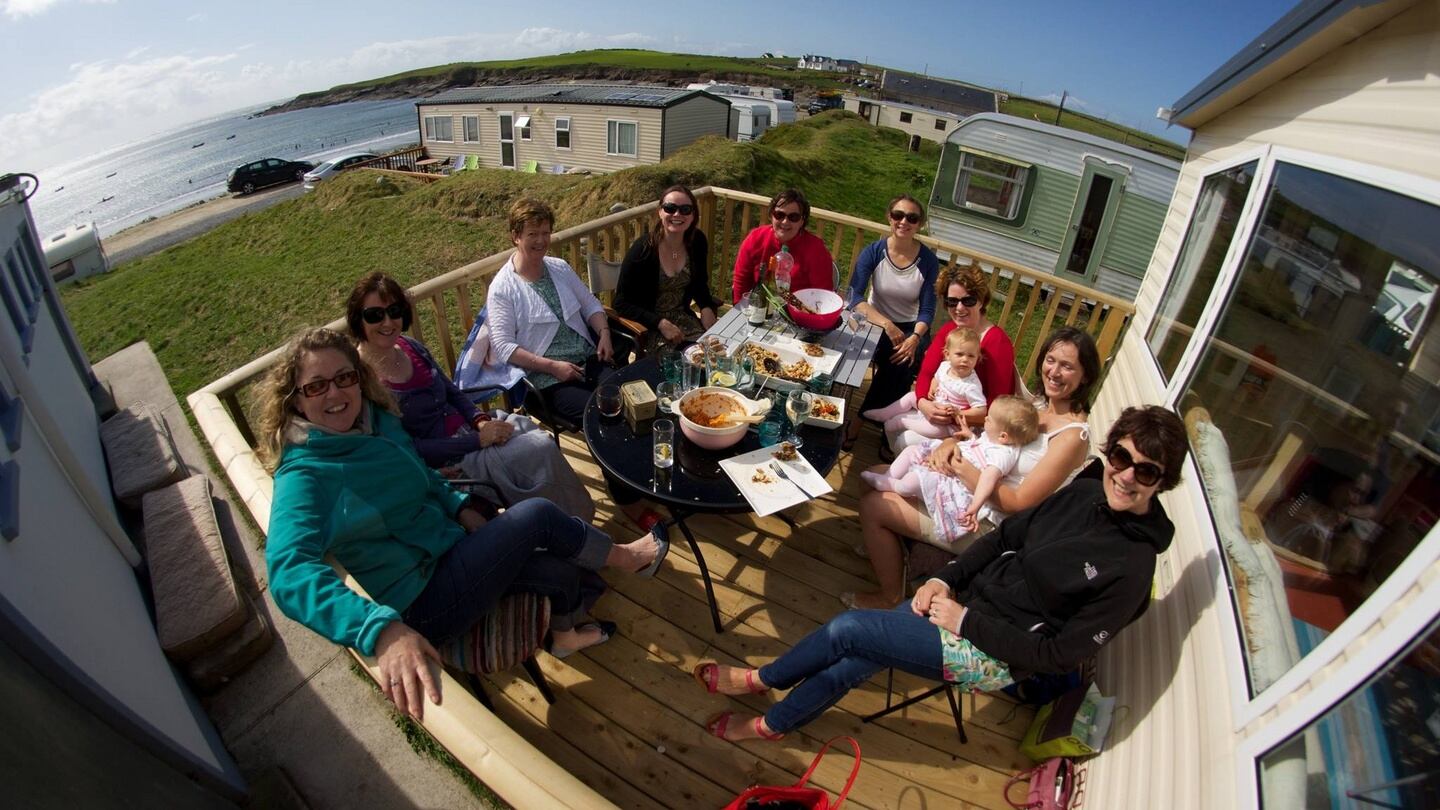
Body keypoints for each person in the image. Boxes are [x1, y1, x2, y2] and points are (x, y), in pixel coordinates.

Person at [690, 405, 1188, 742]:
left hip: (993, 651)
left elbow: (1057, 656)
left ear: (1163, 483)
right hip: (964, 597)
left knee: (847, 631)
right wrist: (945, 578)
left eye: (1145, 471)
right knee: (853, 657)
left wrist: (963, 621)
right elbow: (1004, 538)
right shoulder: (1087, 490)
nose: (1125, 475)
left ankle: (761, 679)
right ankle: (773, 725)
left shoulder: (1132, 567)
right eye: (1121, 457)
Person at [258, 328, 670, 720]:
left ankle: (563, 638)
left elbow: (420, 475)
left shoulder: (374, 422)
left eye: (344, 377)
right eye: (316, 386)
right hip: (421, 599)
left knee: (561, 568)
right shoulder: (304, 475)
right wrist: (377, 630)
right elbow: (289, 572)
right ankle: (628, 558)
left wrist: (458, 506)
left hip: (449, 548)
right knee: (536, 515)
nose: (335, 392)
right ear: (295, 400)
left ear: (359, 379)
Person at [846, 326, 1100, 609]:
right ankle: (886, 550)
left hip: (989, 524)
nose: (1053, 371)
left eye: (1067, 366)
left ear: (1085, 375)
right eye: (1051, 360)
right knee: (874, 476)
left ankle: (890, 596)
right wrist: (952, 442)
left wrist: (959, 466)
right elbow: (995, 440)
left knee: (875, 505)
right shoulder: (1041, 405)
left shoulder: (1071, 437)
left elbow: (1017, 503)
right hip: (967, 490)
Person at [347, 272, 594, 521]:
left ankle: (570, 523)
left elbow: (452, 392)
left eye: (394, 310)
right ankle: (572, 524)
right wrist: (477, 441)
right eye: (375, 315)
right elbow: (408, 448)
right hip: (450, 461)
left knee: (538, 441)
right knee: (537, 450)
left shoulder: (410, 346)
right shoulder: (364, 381)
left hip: (471, 432)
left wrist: (479, 420)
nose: (388, 322)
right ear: (359, 320)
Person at [484, 197, 664, 530]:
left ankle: (638, 470)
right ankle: (627, 498)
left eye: (545, 232)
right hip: (548, 381)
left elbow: (591, 304)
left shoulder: (559, 268)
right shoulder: (502, 289)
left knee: (637, 396)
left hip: (587, 357)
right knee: (608, 417)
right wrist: (552, 367)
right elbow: (504, 347)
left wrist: (604, 333)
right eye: (532, 234)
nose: (540, 241)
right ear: (515, 236)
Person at [861, 395, 1040, 539]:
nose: (985, 419)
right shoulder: (993, 439)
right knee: (911, 450)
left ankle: (895, 486)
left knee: (912, 481)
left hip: (955, 484)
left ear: (1003, 436)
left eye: (989, 420)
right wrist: (970, 436)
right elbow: (981, 448)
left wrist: (975, 506)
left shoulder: (1004, 455)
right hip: (950, 467)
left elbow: (987, 478)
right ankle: (888, 478)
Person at [842, 194, 940, 449]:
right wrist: (886, 324)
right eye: (898, 215)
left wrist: (915, 337)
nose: (903, 221)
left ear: (919, 224)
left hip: (911, 326)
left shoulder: (927, 261)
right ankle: (888, 428)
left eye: (912, 217)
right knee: (895, 366)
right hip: (877, 320)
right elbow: (854, 297)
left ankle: (860, 421)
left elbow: (928, 310)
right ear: (889, 217)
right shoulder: (874, 252)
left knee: (903, 360)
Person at [897, 264, 1016, 456]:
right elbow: (926, 372)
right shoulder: (950, 330)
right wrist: (923, 404)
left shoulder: (997, 343)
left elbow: (998, 405)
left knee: (905, 439)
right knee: (892, 423)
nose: (959, 308)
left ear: (981, 301)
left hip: (970, 427)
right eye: (952, 302)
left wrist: (951, 416)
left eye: (968, 300)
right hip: (940, 408)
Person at [613, 185, 721, 357]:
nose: (677, 215)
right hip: (651, 328)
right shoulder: (643, 250)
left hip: (685, 319)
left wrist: (706, 306)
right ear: (660, 212)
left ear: (693, 215)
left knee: (716, 355)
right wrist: (660, 323)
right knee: (684, 365)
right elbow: (620, 304)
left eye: (685, 209)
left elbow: (700, 283)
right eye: (670, 208)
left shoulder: (697, 241)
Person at [863, 327, 985, 448]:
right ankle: (884, 413)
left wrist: (959, 412)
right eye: (959, 354)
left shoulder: (971, 385)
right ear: (947, 355)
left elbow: (981, 410)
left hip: (947, 425)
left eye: (971, 356)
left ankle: (899, 426)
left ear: (977, 358)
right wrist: (933, 385)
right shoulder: (945, 366)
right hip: (934, 404)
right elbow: (937, 377)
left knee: (894, 424)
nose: (965, 359)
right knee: (911, 396)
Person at [731, 188, 836, 303]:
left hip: (798, 312)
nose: (785, 222)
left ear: (802, 221)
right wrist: (739, 310)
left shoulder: (816, 249)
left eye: (793, 217)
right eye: (779, 215)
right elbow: (741, 281)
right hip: (758, 307)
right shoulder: (755, 238)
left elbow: (823, 296)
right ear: (772, 215)